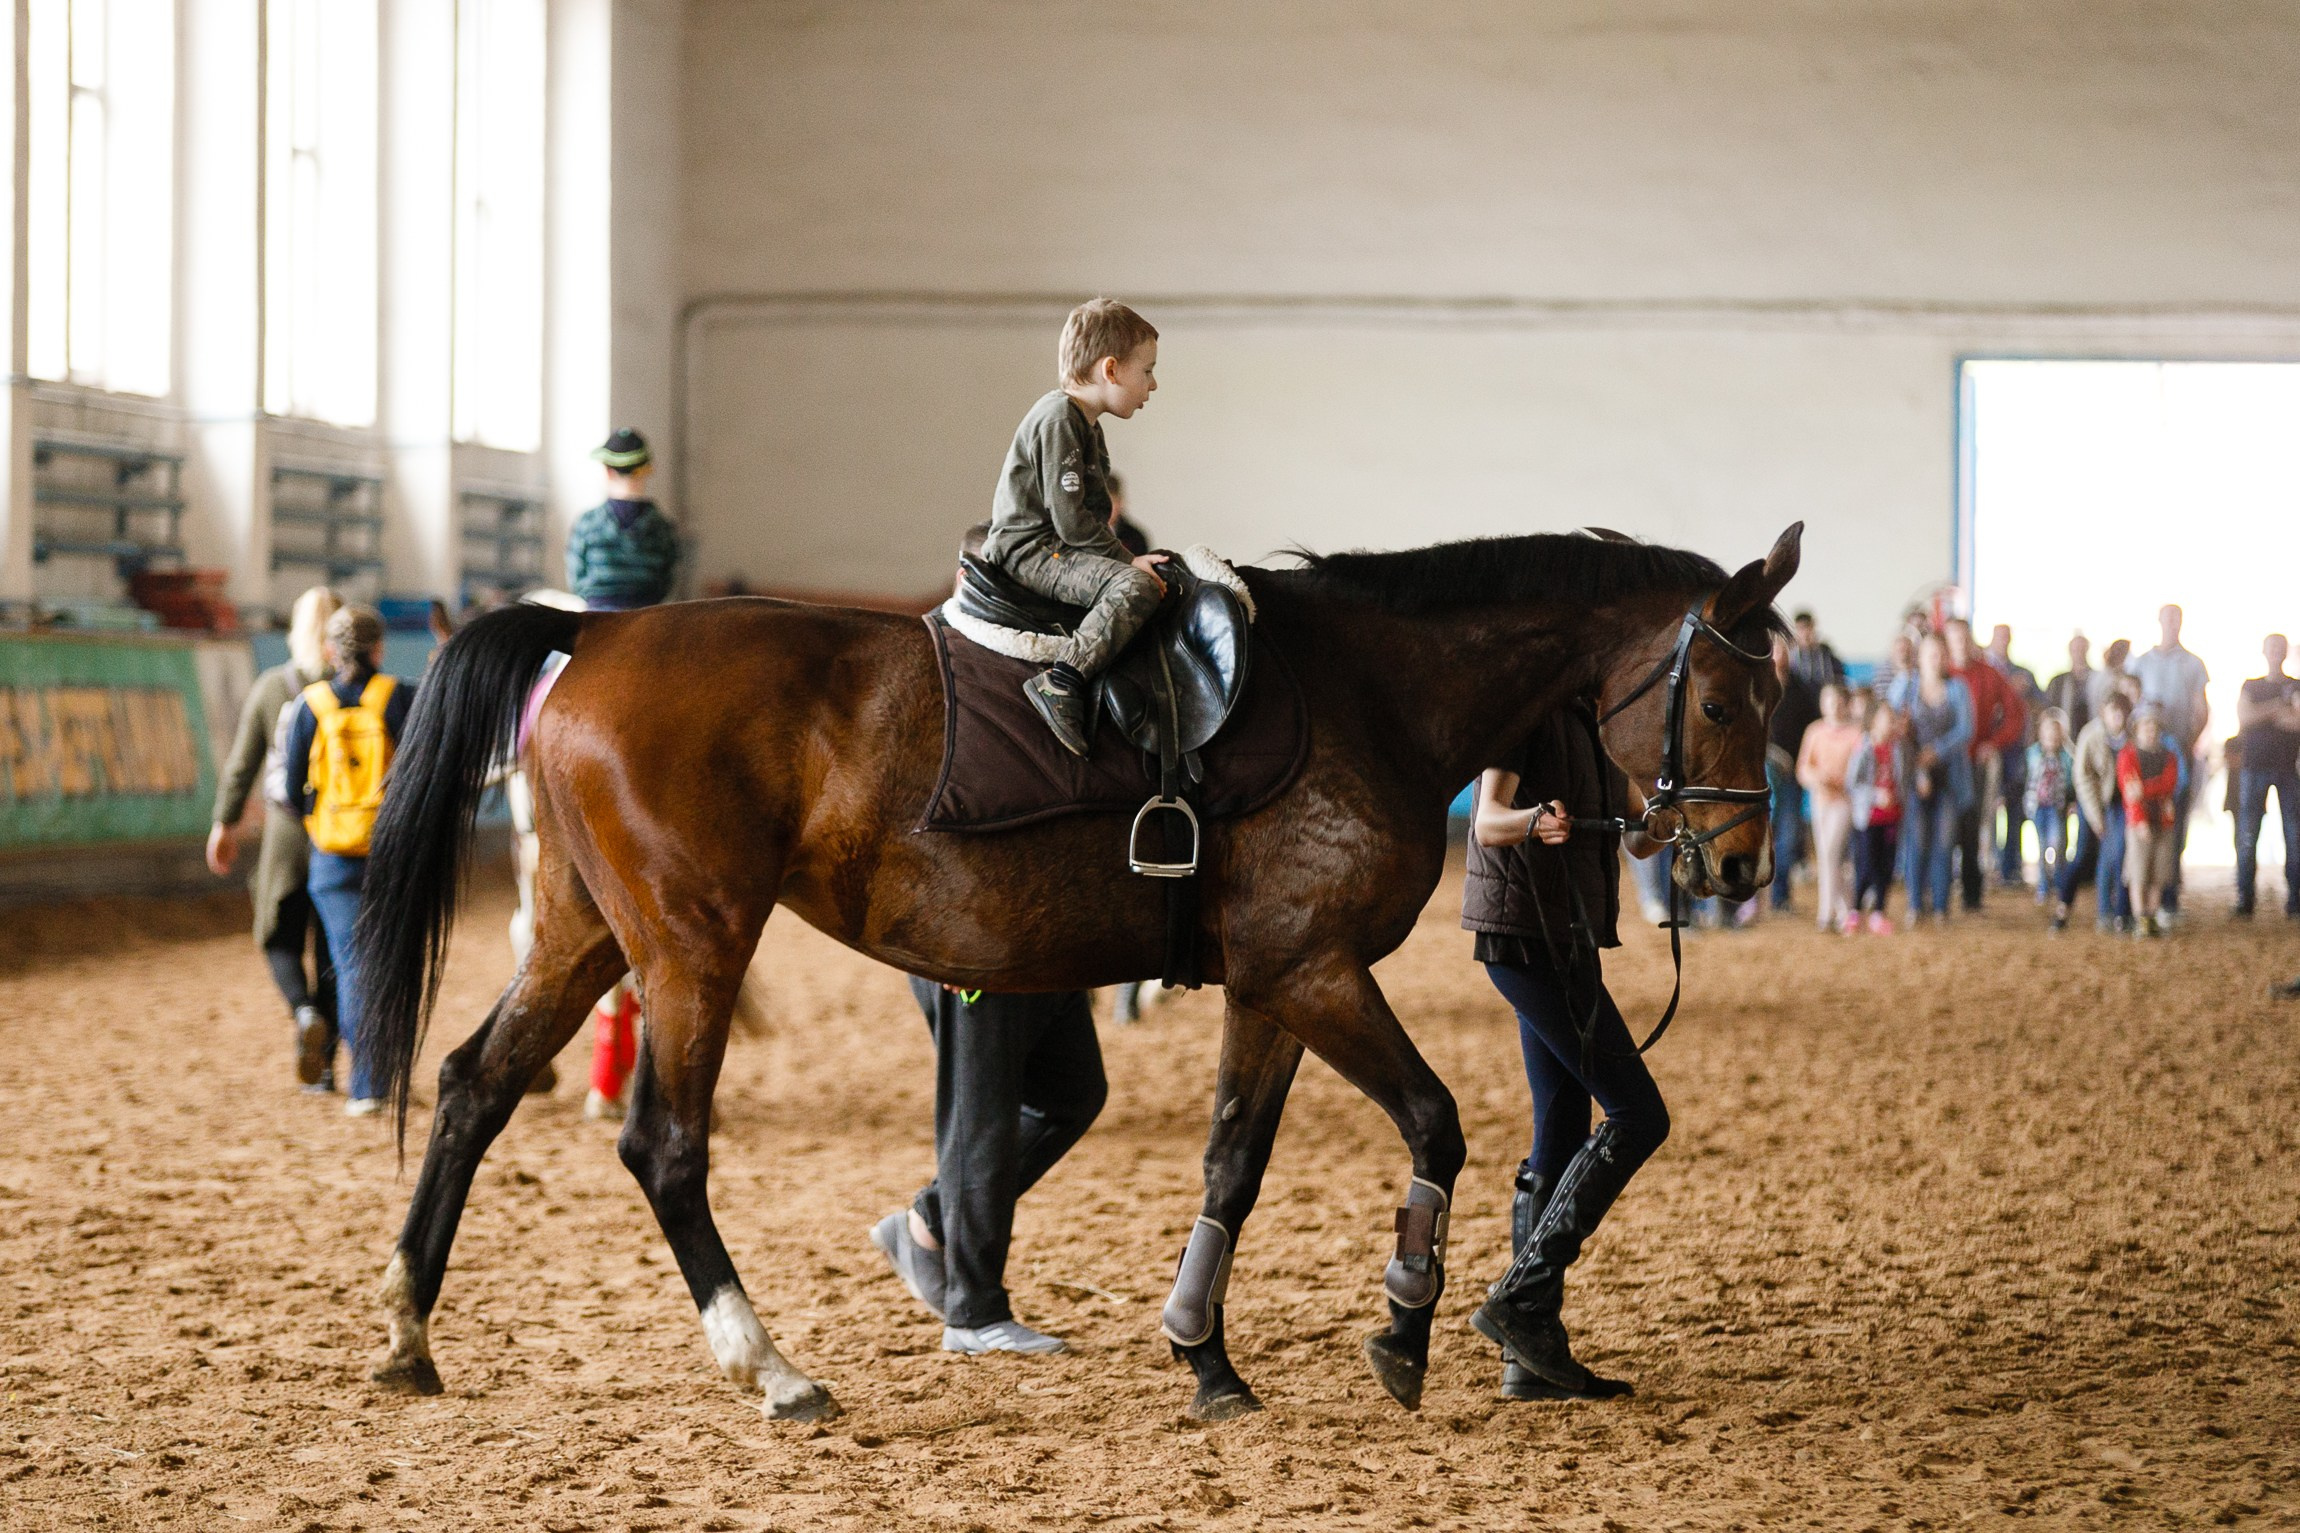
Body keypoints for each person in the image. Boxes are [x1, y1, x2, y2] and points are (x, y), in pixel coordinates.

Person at [1462, 704, 1665, 1400]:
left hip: (1566, 937)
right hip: (1524, 935)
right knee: (1639, 1114)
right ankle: (1521, 1300)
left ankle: (1528, 1352)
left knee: (1560, 1127)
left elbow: (1640, 834)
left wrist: (1669, 810)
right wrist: (1533, 819)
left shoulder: (1602, 727)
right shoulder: (1529, 709)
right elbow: (1488, 819)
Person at [868, 979, 1107, 1355]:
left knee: (1072, 1092)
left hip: (1048, 949)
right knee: (983, 1116)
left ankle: (929, 1223)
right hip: (984, 947)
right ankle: (973, 1315)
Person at [982, 298, 1171, 756]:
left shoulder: (1085, 425)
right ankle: (1062, 681)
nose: (1153, 383)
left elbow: (1088, 513)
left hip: (1051, 545)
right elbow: (1071, 522)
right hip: (1030, 550)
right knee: (1136, 589)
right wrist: (1129, 563)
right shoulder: (1059, 418)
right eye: (1146, 370)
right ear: (1111, 369)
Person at [207, 586, 342, 1090]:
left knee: (277, 935)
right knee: (331, 948)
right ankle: (325, 1068)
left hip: (287, 832)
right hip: (343, 835)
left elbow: (243, 763)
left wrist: (224, 823)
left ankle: (303, 1012)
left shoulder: (272, 687)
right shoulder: (358, 688)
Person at [283, 605, 414, 1115]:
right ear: (378, 649)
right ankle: (378, 1077)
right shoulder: (397, 696)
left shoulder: (309, 704)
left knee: (349, 965)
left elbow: (293, 788)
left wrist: (320, 821)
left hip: (333, 857)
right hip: (389, 853)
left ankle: (367, 1084)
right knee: (384, 962)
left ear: (331, 651)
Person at [1937, 619, 2025, 912]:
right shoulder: (1938, 674)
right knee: (1941, 827)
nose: (1960, 644)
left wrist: (1995, 743)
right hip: (1942, 764)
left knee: (1972, 827)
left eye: (1964, 638)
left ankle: (1971, 896)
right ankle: (1937, 894)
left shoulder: (1989, 674)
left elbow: (2015, 715)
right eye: (1954, 639)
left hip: (1975, 763)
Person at [2130, 605, 2208, 917]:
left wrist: (2189, 742)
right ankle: (2138, 902)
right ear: (2159, 621)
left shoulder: (2193, 664)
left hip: (2176, 754)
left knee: (2173, 824)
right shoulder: (2141, 662)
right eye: (2168, 618)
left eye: (2177, 618)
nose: (2172, 623)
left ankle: (2168, 898)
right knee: (2140, 822)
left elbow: (2202, 708)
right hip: (2144, 754)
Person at [1893, 633, 1975, 923]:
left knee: (1944, 842)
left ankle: (1940, 906)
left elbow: (1966, 730)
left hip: (1950, 779)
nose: (1935, 658)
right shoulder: (1905, 688)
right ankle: (1915, 904)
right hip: (1915, 779)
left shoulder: (1958, 688)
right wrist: (1918, 767)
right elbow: (1892, 727)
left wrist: (1936, 752)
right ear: (1920, 656)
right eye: (1930, 653)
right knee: (1916, 842)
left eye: (1941, 653)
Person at [565, 427, 681, 611]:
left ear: (608, 472)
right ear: (646, 470)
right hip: (648, 622)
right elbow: (667, 580)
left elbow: (576, 579)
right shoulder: (662, 528)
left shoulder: (587, 524)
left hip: (598, 625)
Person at [2233, 634, 2300, 919]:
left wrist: (2263, 713)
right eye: (2272, 647)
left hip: (2288, 769)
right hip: (2254, 767)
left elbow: (2296, 721)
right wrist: (2277, 709)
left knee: (2294, 835)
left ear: (2285, 652)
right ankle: (2244, 898)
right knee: (2248, 834)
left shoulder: (2295, 685)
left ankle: (2295, 900)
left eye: (2280, 648)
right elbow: (2244, 718)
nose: (2276, 652)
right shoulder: (2251, 685)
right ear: (2264, 651)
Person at [2064, 689, 2135, 934]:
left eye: (2121, 711)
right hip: (2094, 802)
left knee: (2120, 854)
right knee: (2089, 855)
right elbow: (2082, 778)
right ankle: (2069, 903)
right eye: (2112, 711)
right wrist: (2095, 816)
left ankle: (2118, 912)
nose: (2117, 717)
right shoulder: (2091, 735)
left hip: (2122, 804)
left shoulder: (2132, 736)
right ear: (2103, 713)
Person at [1795, 682, 1864, 933]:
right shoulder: (1814, 731)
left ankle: (1826, 913)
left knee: (1830, 852)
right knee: (1827, 856)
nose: (1833, 705)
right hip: (1819, 799)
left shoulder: (1856, 734)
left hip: (1844, 801)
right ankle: (1846, 910)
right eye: (1828, 700)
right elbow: (1802, 768)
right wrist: (1817, 778)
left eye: (1837, 700)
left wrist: (1841, 781)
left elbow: (1861, 770)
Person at [1986, 624, 2045, 888]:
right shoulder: (1986, 672)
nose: (2003, 642)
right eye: (1999, 637)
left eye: (2006, 637)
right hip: (1988, 749)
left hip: (2016, 752)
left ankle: (2011, 865)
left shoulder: (2025, 674)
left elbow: (2040, 707)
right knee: (1986, 811)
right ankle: (1988, 864)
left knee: (2015, 809)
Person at [1766, 635, 1821, 914]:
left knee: (1787, 839)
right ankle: (1749, 902)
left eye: (1785, 650)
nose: (1781, 655)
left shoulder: (1800, 688)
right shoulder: (1756, 684)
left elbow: (1813, 728)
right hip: (1759, 776)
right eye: (1776, 650)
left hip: (1791, 777)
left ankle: (1780, 896)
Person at [2118, 705, 2185, 938]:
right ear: (2136, 729)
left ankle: (2153, 915)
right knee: (2138, 871)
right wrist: (2140, 819)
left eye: (2153, 726)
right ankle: (2140, 917)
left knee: (2159, 872)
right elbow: (2129, 791)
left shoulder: (2169, 757)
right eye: (2145, 725)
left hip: (2163, 820)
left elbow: (2169, 784)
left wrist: (2144, 789)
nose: (2150, 730)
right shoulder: (2128, 755)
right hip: (2140, 821)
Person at [1846, 700, 1903, 933]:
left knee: (1886, 865)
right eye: (1887, 718)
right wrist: (1874, 795)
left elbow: (1904, 778)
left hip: (1891, 817)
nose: (1892, 723)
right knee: (1866, 864)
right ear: (1873, 721)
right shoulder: (1864, 748)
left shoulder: (1898, 749)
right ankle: (1855, 911)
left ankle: (1879, 911)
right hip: (1868, 818)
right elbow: (1852, 782)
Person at [2025, 709, 2076, 906]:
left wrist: (2071, 802)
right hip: (2039, 808)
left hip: (2057, 808)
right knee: (2042, 846)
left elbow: (2072, 783)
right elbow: (2027, 780)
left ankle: (2060, 884)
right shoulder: (2032, 754)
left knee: (2058, 845)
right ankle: (2043, 886)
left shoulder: (2067, 758)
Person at [2046, 633, 2096, 743]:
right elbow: (2050, 712)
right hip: (2064, 740)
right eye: (2075, 649)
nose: (2079, 653)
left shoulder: (2097, 680)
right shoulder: (2057, 683)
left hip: (2091, 737)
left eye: (2082, 649)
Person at [1787, 610, 1846, 692]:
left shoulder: (1827, 657)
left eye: (1807, 627)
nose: (1805, 633)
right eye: (1801, 629)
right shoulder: (1790, 658)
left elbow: (1839, 680)